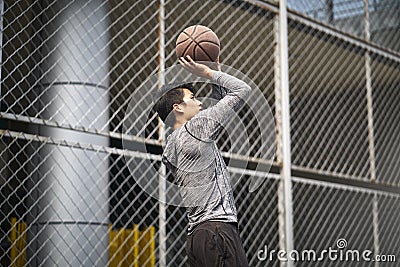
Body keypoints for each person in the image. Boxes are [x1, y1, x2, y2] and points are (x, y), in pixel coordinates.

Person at [155, 55, 250, 267]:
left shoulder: (172, 143)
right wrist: (209, 74)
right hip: (217, 232)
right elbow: (242, 90)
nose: (199, 101)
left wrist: (215, 75)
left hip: (198, 238)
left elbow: (215, 111)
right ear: (177, 108)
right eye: (192, 98)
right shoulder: (196, 129)